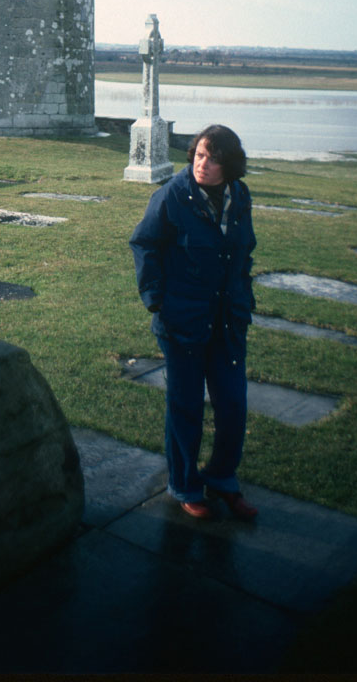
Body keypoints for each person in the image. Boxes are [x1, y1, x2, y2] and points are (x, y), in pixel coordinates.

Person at [129, 124, 258, 520]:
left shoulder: (240, 196)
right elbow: (144, 243)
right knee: (185, 405)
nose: (203, 164)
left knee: (233, 403)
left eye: (213, 158)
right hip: (182, 319)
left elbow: (244, 250)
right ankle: (185, 485)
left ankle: (222, 478)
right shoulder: (173, 195)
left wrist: (243, 295)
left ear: (229, 165)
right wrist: (155, 301)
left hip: (227, 320)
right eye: (199, 154)